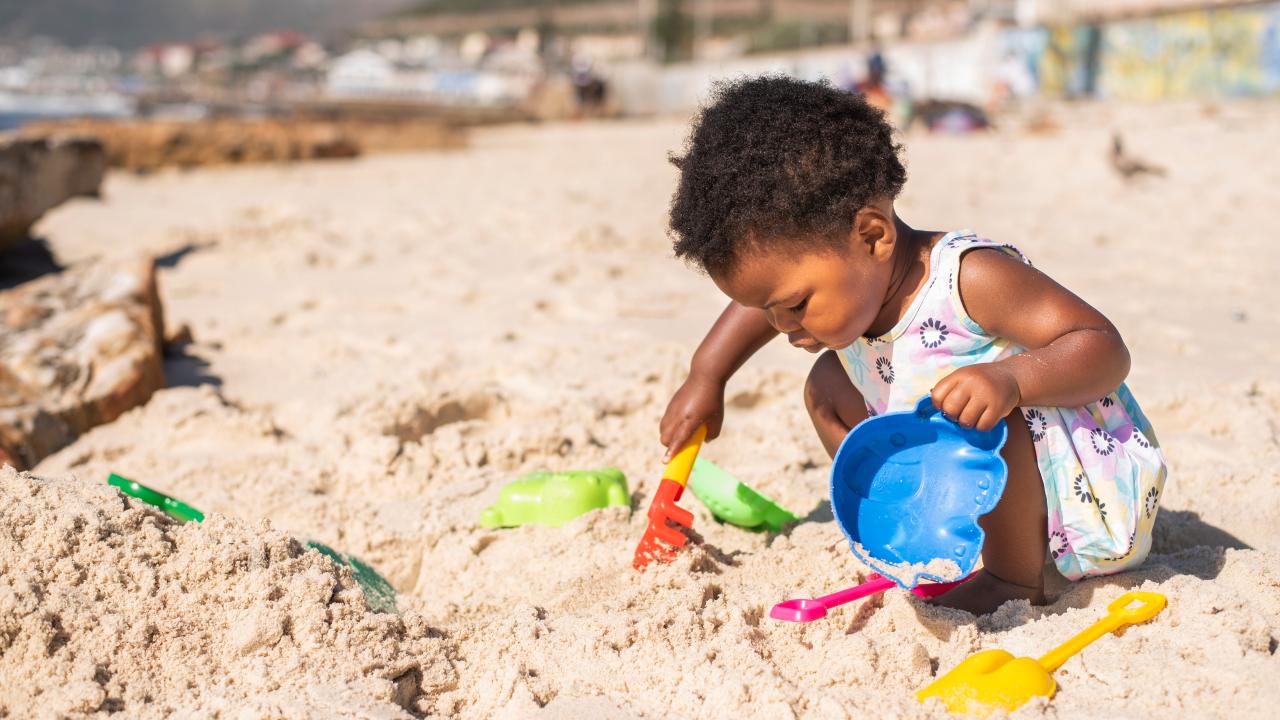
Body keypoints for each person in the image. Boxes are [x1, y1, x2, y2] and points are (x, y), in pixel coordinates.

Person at [658, 76, 1167, 615]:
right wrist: (707, 375)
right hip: (972, 479)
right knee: (828, 384)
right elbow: (761, 300)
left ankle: (1013, 579)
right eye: (768, 308)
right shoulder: (835, 279)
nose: (781, 325)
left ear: (873, 236)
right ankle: (910, 529)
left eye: (796, 305)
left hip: (1076, 502)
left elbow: (1104, 349)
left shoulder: (969, 279)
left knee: (990, 414)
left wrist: (1011, 380)